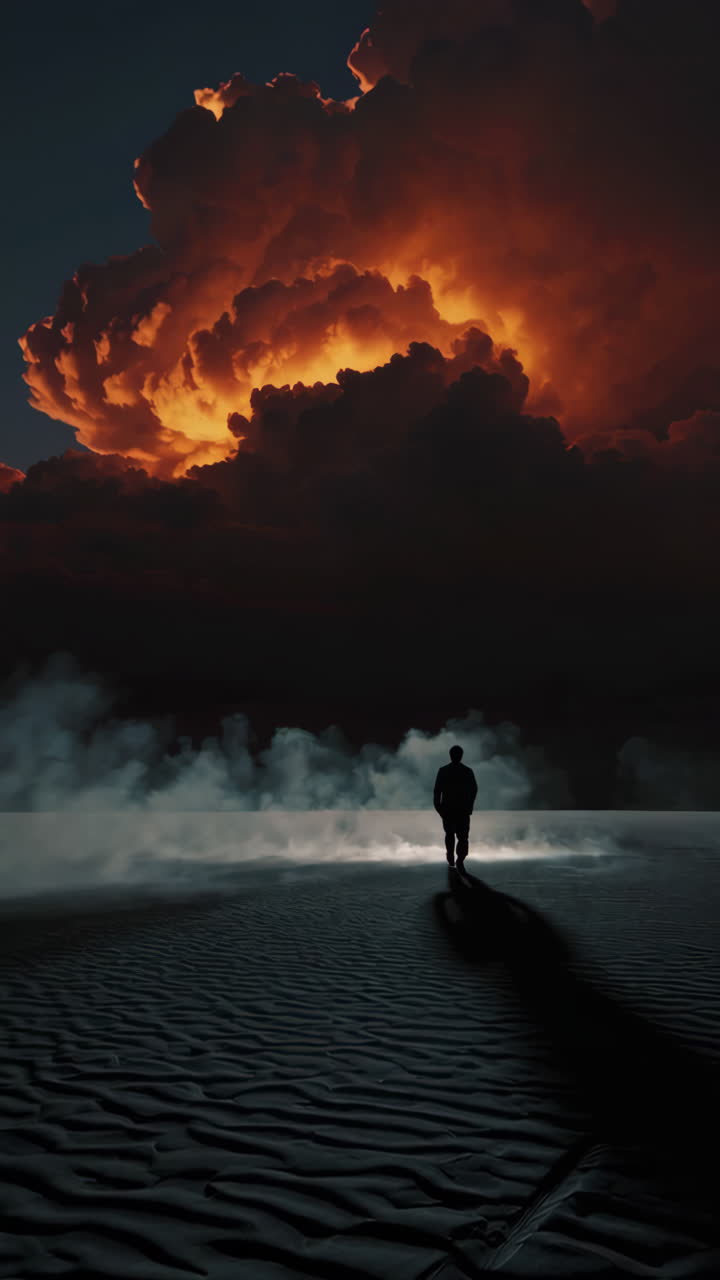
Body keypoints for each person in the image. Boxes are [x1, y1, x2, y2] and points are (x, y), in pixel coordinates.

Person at [433, 745, 478, 869]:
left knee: (453, 835)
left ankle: (454, 857)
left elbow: (437, 791)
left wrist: (439, 807)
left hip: (451, 809)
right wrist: (469, 805)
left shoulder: (444, 771)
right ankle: (457, 859)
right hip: (458, 810)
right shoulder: (467, 771)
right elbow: (474, 790)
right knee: (460, 836)